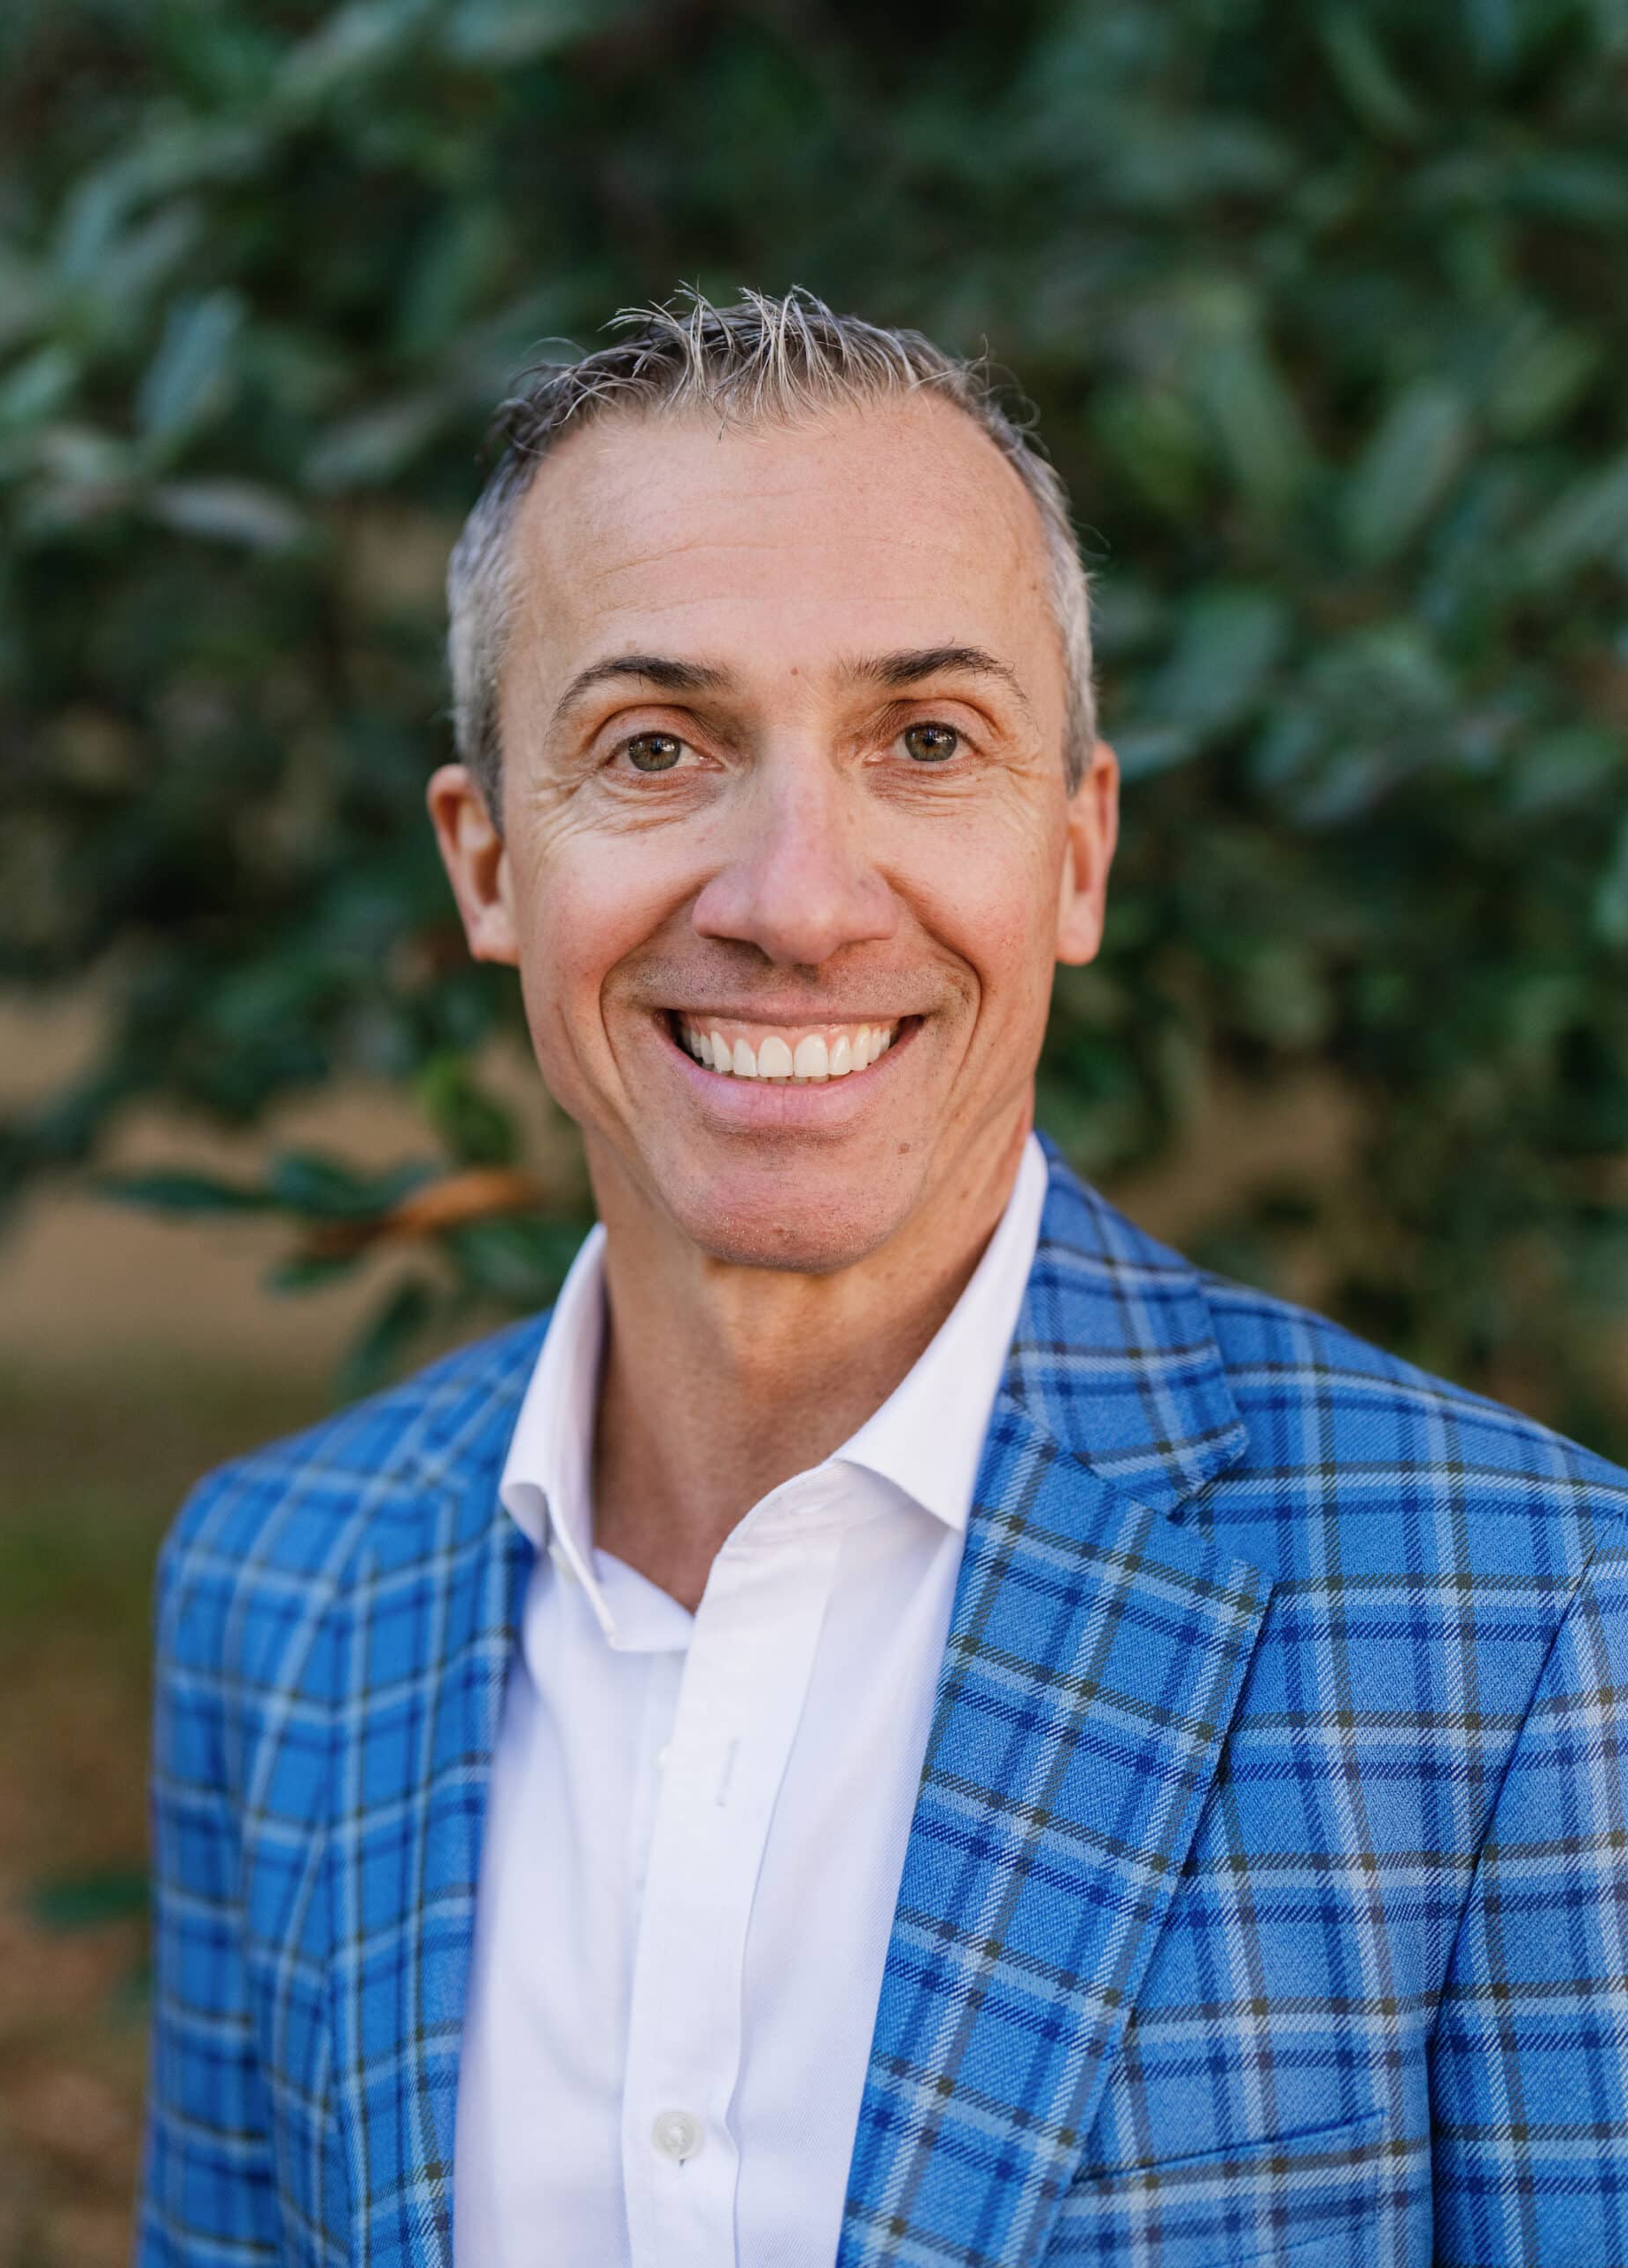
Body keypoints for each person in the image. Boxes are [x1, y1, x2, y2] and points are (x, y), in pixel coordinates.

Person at [134, 289, 1628, 2268]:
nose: (799, 900)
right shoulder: (278, 1585)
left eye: (927, 739)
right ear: (488, 861)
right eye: (656, 745)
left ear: (1076, 853)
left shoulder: (1524, 1617)